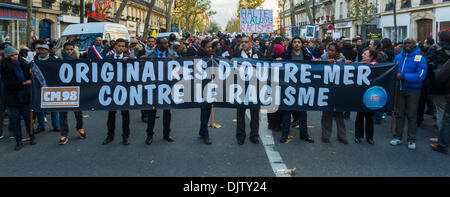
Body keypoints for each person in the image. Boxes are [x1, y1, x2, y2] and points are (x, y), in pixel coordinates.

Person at [390, 38, 427, 150]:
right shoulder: (398, 57)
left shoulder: (420, 58)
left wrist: (404, 76)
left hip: (413, 91)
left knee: (411, 115)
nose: (407, 45)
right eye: (405, 43)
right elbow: (392, 71)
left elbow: (421, 76)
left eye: (409, 43)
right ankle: (397, 137)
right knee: (399, 114)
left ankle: (411, 139)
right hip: (399, 89)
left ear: (414, 44)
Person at [278, 37, 314, 143]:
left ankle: (304, 134)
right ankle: (285, 134)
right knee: (286, 112)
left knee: (303, 112)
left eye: (299, 42)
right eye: (295, 42)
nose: (297, 44)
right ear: (292, 44)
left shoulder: (307, 56)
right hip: (288, 87)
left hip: (302, 88)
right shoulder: (285, 55)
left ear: (302, 44)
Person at [0, 45, 35, 150]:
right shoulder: (4, 66)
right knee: (15, 121)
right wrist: (24, 83)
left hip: (24, 96)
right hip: (12, 98)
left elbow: (30, 76)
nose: (15, 56)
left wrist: (30, 76)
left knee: (28, 118)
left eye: (16, 54)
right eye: (12, 55)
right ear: (7, 56)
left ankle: (31, 136)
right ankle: (18, 141)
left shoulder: (23, 63)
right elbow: (8, 84)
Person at [144, 37, 177, 145]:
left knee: (167, 112)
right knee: (152, 112)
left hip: (167, 87)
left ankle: (167, 134)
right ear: (158, 45)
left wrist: (177, 60)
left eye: (167, 43)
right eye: (164, 43)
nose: (167, 45)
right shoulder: (150, 55)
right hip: (154, 87)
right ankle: (149, 135)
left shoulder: (172, 54)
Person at [232, 36, 263, 145]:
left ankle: (254, 135)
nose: (244, 44)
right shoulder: (236, 55)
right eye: (242, 42)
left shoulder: (258, 54)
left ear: (251, 43)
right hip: (241, 87)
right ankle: (240, 136)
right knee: (240, 113)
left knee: (255, 112)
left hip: (255, 87)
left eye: (246, 42)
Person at [55, 42, 86, 145]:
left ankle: (80, 128)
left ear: (74, 50)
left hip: (76, 89)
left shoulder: (78, 60)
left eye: (71, 49)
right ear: (63, 50)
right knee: (63, 113)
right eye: (67, 49)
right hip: (63, 90)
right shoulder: (58, 61)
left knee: (78, 112)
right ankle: (64, 134)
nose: (69, 51)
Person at [102, 38, 132, 146]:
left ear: (125, 48)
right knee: (111, 114)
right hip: (112, 89)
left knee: (125, 115)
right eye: (119, 46)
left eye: (123, 46)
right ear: (115, 47)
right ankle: (110, 136)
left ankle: (125, 137)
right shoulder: (108, 57)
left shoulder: (128, 58)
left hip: (124, 90)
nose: (121, 48)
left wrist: (127, 63)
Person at [320, 42, 351, 144]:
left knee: (339, 114)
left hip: (338, 89)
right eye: (329, 50)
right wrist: (325, 63)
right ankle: (325, 136)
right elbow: (318, 68)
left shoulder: (342, 58)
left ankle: (342, 136)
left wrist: (345, 63)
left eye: (332, 50)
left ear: (337, 52)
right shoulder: (323, 57)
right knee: (326, 113)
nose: (330, 52)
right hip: (326, 89)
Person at [424, 30, 450, 132]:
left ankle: (442, 135)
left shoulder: (434, 48)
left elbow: (426, 62)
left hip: (437, 81)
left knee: (440, 109)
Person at [34, 44, 60, 133]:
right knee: (39, 107)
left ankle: (56, 125)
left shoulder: (53, 61)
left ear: (48, 51)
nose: (42, 52)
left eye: (44, 50)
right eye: (41, 50)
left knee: (53, 106)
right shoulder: (34, 60)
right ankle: (41, 125)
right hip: (38, 87)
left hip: (51, 86)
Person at [355, 48, 378, 144]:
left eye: (365, 54)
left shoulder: (376, 66)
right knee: (359, 116)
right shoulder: (357, 65)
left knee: (369, 116)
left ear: (371, 57)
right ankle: (358, 136)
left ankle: (370, 137)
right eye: (363, 54)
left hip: (370, 94)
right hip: (360, 93)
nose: (362, 55)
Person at [195, 39, 214, 145]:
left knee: (207, 109)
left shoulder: (213, 57)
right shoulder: (196, 57)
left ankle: (202, 130)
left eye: (211, 47)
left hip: (210, 86)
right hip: (199, 87)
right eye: (208, 47)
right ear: (202, 47)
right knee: (204, 109)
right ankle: (205, 134)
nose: (210, 49)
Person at [430, 60, 450, 154]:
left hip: (443, 91)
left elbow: (441, 76)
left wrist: (437, 71)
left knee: (445, 116)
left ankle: (442, 143)